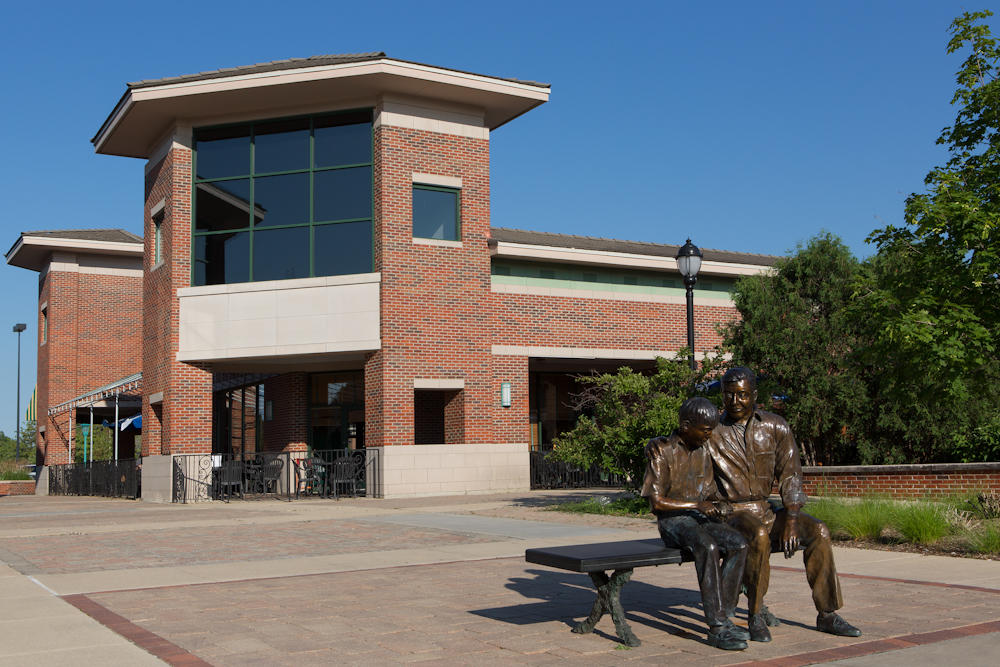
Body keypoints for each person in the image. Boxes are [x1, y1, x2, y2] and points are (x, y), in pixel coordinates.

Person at [707, 366, 861, 642]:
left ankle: (827, 614)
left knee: (818, 531)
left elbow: (791, 476)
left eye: (742, 395)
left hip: (767, 510)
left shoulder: (775, 426)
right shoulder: (712, 432)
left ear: (754, 394)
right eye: (729, 395)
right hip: (731, 514)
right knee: (759, 534)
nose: (735, 401)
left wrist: (790, 520)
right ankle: (755, 615)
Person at [641, 397, 750, 651]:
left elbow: (709, 491)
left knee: (739, 544)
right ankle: (717, 627)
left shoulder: (703, 450)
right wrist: (695, 506)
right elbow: (656, 503)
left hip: (698, 518)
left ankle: (724, 612)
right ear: (687, 426)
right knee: (708, 547)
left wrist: (719, 505)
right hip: (673, 522)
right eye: (705, 430)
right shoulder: (661, 450)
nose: (709, 435)